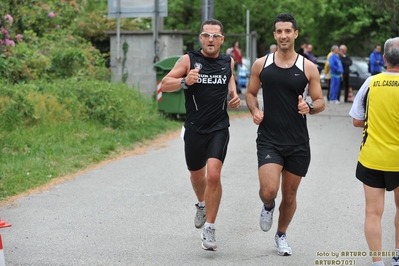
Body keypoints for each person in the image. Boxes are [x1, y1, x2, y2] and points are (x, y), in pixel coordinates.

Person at [245, 13, 325, 256]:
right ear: (274, 35)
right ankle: (268, 205)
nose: (283, 35)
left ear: (295, 34)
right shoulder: (262, 64)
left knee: (289, 197)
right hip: (269, 138)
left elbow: (320, 101)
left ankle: (281, 235)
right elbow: (250, 93)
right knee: (270, 191)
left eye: (287, 31)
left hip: (298, 141)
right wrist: (255, 109)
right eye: (279, 31)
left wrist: (309, 107)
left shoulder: (308, 67)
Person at [161, 18, 241, 252]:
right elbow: (165, 83)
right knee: (198, 178)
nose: (211, 39)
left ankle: (210, 228)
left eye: (215, 36)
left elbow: (230, 84)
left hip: (218, 128)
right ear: (201, 38)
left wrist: (234, 97)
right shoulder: (189, 59)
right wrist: (185, 81)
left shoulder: (228, 62)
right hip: (195, 128)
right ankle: (202, 204)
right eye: (207, 35)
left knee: (214, 176)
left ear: (222, 40)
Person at [349, 37, 399, 266]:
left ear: (384, 58)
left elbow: (357, 121)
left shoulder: (371, 82)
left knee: (372, 213)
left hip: (372, 158)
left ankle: (378, 262)